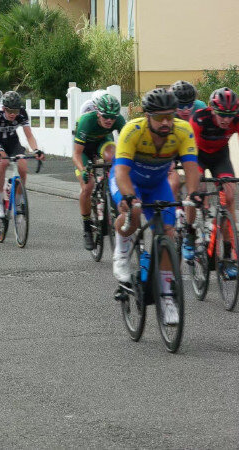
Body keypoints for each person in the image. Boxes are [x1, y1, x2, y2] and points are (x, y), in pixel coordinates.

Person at [111, 88, 201, 325]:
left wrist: (192, 194)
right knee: (134, 211)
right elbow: (121, 171)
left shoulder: (182, 130)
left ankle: (168, 298)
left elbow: (192, 168)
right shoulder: (133, 130)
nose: (166, 122)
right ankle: (121, 253)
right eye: (160, 117)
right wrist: (129, 197)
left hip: (158, 183)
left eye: (170, 116)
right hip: (129, 180)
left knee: (168, 236)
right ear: (147, 115)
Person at [187, 88, 239, 269]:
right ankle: (190, 232)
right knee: (198, 195)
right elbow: (189, 152)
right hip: (198, 156)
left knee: (230, 197)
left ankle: (227, 253)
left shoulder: (236, 120)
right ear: (212, 110)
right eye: (222, 114)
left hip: (220, 158)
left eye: (230, 115)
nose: (226, 119)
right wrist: (196, 181)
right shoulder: (200, 118)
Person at [71, 93, 125, 250]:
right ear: (98, 113)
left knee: (113, 156)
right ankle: (87, 227)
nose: (109, 120)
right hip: (84, 151)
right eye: (106, 116)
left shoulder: (119, 120)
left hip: (103, 143)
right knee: (87, 187)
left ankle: (109, 184)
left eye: (113, 117)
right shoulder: (86, 121)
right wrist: (82, 170)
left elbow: (128, 144)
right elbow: (76, 154)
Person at [0, 91, 45, 219]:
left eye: (15, 111)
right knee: (3, 163)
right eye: (10, 111)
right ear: (4, 108)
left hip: (13, 141)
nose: (13, 114)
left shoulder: (22, 113)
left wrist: (35, 150)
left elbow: (29, 135)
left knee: (23, 167)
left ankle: (18, 201)